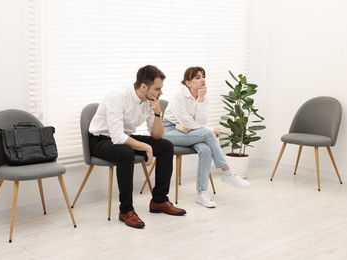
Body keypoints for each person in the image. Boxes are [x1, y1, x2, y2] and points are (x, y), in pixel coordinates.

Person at [89, 65, 186, 229]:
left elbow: (156, 135)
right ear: (144, 87)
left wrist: (157, 114)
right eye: (157, 88)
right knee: (126, 153)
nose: (161, 92)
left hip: (124, 136)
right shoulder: (117, 96)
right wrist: (147, 148)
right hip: (100, 139)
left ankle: (159, 201)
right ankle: (126, 210)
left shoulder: (150, 101)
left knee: (165, 146)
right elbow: (117, 137)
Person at [162, 66, 250, 208]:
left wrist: (201, 99)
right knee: (208, 133)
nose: (202, 79)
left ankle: (201, 194)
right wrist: (210, 130)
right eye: (197, 77)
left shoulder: (204, 95)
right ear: (187, 82)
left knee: (206, 150)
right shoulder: (179, 95)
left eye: (203, 76)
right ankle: (227, 172)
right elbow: (186, 122)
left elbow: (200, 122)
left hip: (189, 131)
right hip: (169, 131)